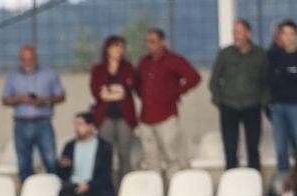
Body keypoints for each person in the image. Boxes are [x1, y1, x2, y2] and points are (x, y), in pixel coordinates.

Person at [136, 28, 200, 180]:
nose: (149, 45)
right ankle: (155, 191)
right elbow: (138, 84)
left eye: (153, 42)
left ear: (162, 42)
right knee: (151, 159)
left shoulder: (173, 60)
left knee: (173, 157)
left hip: (166, 116)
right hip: (146, 117)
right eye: (147, 42)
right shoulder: (144, 62)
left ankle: (177, 190)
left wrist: (176, 92)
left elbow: (193, 77)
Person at [209, 19, 268, 172]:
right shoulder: (225, 53)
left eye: (239, 32)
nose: (236, 35)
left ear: (248, 33)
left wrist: (263, 101)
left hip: (252, 106)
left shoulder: (260, 54)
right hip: (229, 106)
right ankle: (231, 183)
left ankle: (254, 182)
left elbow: (266, 80)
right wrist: (218, 100)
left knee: (253, 148)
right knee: (230, 147)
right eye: (234, 31)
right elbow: (214, 80)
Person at [1, 45, 65, 177]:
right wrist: (19, 99)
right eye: (24, 59)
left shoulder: (49, 74)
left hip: (43, 123)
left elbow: (61, 96)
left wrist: (44, 101)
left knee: (51, 161)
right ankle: (28, 192)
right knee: (24, 164)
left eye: (30, 59)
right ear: (20, 59)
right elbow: (4, 99)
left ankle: (54, 190)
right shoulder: (12, 77)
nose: (27, 62)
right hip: (21, 125)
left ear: (36, 58)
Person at [88, 36, 137, 182]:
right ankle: (107, 187)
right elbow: (99, 93)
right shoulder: (98, 69)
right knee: (105, 153)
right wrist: (116, 92)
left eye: (122, 47)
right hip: (105, 117)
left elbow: (127, 90)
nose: (119, 50)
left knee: (124, 153)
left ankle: (126, 184)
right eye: (116, 47)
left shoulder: (128, 68)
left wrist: (111, 91)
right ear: (108, 49)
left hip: (124, 117)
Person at [54, 112, 114, 196]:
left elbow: (105, 174)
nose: (77, 128)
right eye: (75, 125)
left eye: (80, 124)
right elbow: (61, 174)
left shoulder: (103, 147)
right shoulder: (70, 145)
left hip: (94, 187)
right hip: (73, 186)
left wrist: (88, 184)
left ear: (91, 126)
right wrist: (62, 166)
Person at [267, 21, 297, 190]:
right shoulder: (274, 56)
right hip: (278, 108)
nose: (288, 37)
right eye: (284, 33)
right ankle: (284, 187)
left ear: (296, 35)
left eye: (291, 33)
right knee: (281, 148)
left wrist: (288, 73)